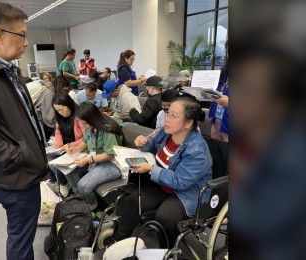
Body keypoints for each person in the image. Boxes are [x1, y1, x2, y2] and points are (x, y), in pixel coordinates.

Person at [0, 2, 48, 259]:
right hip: (15, 177)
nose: (26, 42)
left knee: (21, 234)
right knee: (21, 240)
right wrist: (21, 155)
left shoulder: (8, 71)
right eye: (21, 35)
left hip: (22, 173)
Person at [113, 97, 212, 245]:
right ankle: (119, 238)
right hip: (163, 184)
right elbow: (154, 144)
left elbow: (181, 181)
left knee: (165, 216)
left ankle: (167, 250)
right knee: (134, 199)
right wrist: (144, 143)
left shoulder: (197, 149)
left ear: (188, 123)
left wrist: (152, 169)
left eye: (173, 116)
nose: (167, 119)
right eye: (167, 113)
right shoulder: (166, 133)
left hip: (187, 192)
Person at [64, 102, 125, 210]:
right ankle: (80, 196)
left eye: (84, 123)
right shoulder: (90, 127)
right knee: (67, 169)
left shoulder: (108, 129)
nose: (83, 126)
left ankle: (92, 206)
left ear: (92, 119)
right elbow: (86, 141)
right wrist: (76, 149)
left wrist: (88, 160)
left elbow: (110, 154)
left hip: (112, 164)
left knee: (84, 185)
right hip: (95, 159)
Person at [46, 93, 86, 197]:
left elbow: (86, 138)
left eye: (62, 109)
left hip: (77, 148)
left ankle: (66, 185)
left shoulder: (79, 116)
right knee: (47, 157)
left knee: (58, 163)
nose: (61, 113)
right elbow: (58, 131)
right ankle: (60, 182)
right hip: (64, 147)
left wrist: (70, 145)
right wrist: (58, 141)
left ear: (69, 104)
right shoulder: (60, 116)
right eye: (58, 111)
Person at [209, 41, 229, 142]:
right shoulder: (225, 70)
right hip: (217, 119)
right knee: (217, 152)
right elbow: (218, 90)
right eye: (228, 51)